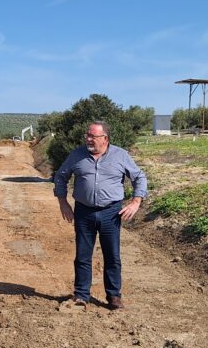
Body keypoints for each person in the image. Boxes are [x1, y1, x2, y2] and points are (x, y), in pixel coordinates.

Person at [53, 121, 147, 311]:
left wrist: (136, 201)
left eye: (92, 136)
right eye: (87, 136)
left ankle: (114, 296)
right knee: (83, 255)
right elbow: (61, 176)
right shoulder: (76, 155)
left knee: (112, 256)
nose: (88, 139)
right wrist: (62, 202)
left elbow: (139, 177)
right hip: (83, 212)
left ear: (105, 139)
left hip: (111, 213)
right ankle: (81, 295)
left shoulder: (120, 155)